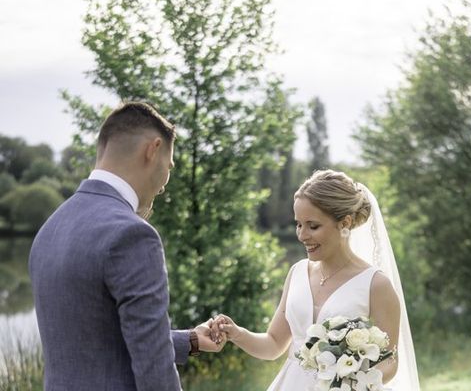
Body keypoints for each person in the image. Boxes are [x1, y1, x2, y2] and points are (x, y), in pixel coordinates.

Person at [29, 102, 225, 391]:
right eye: (169, 166)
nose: (164, 184)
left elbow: (94, 338)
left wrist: (190, 340)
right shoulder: (133, 235)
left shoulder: (50, 229)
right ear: (153, 150)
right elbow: (155, 371)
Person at [214, 169, 420, 390]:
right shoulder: (297, 273)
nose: (302, 235)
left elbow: (389, 361)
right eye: (299, 224)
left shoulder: (376, 284)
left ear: (345, 223)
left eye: (313, 226)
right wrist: (237, 334)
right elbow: (274, 344)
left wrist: (351, 380)